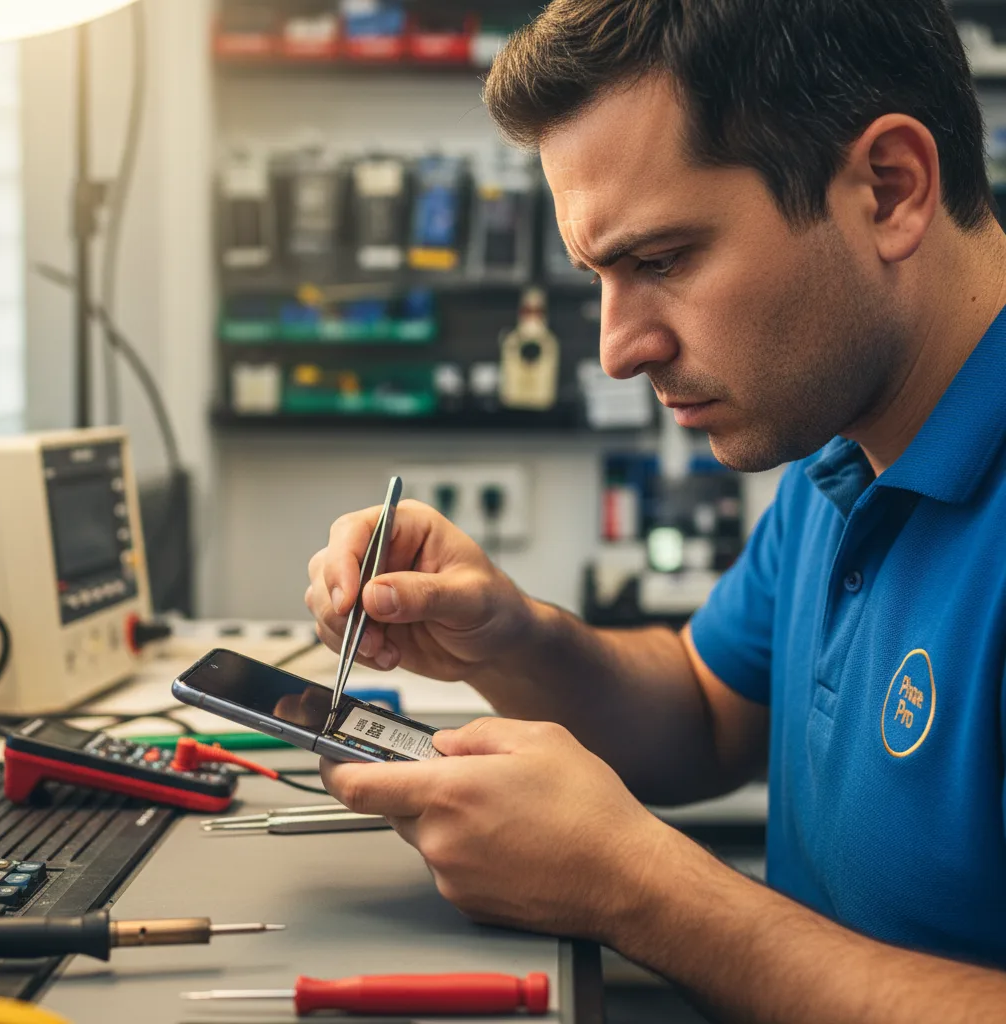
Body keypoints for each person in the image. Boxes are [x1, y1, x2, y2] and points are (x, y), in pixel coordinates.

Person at [305, 1, 1006, 1019]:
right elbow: (707, 707)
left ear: (887, 189)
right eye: (597, 276)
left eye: (661, 261)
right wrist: (502, 637)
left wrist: (639, 889)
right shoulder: (852, 437)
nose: (616, 350)